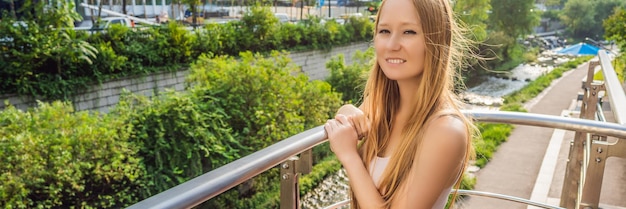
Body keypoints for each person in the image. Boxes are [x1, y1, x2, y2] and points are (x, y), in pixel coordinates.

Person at [323, 0, 476, 208]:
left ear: (437, 39)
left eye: (409, 32)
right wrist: (347, 111)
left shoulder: (446, 130)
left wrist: (350, 156)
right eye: (384, 31)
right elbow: (351, 116)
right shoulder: (383, 105)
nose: (391, 45)